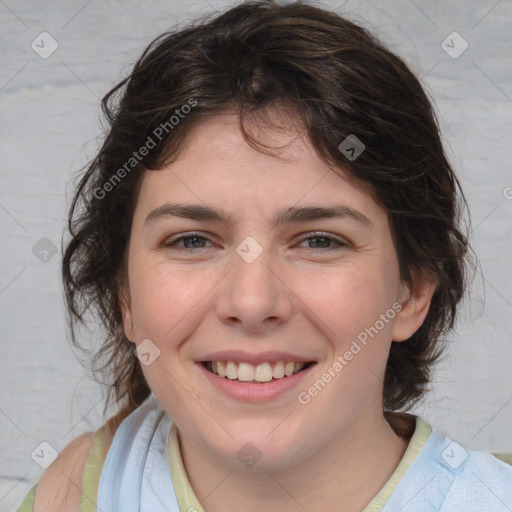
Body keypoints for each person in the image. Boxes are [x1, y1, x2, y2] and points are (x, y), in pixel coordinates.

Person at [16, 1, 512, 511]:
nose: (252, 302)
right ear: (124, 293)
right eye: (191, 240)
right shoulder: (72, 495)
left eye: (320, 240)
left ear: (414, 287)